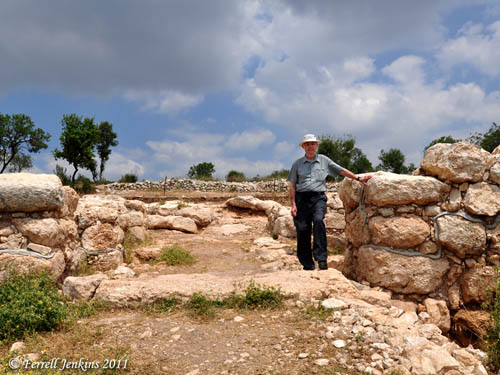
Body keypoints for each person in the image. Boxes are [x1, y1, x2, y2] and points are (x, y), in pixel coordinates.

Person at [287, 134, 371, 270]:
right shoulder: (297, 164)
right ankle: (307, 264)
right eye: (307, 144)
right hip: (301, 199)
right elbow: (291, 185)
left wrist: (357, 178)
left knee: (319, 220)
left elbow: (340, 170)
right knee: (303, 229)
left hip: (318, 197)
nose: (310, 146)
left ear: (317, 145)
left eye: (313, 144)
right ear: (303, 147)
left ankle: (321, 259)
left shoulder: (324, 160)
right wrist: (293, 205)